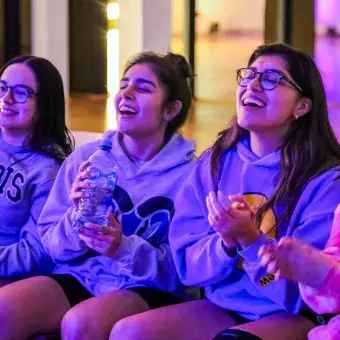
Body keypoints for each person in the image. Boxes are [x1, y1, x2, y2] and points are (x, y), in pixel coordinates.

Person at [108, 43, 340, 340]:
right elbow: (187, 267)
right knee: (129, 333)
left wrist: (251, 241)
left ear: (302, 106)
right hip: (222, 306)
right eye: (248, 75)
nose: (252, 86)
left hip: (292, 315)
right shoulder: (216, 161)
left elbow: (302, 295)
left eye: (271, 79)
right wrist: (226, 246)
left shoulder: (324, 181)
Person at [0, 52, 196, 340]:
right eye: (123, 85)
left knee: (81, 323)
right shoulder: (87, 157)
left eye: (142, 88)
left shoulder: (190, 175)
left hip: (144, 284)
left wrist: (123, 247)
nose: (125, 94)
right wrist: (75, 217)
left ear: (170, 109)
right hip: (80, 274)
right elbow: (53, 247)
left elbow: (184, 270)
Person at [0, 55, 74, 284]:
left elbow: (36, 253)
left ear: (44, 104)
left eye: (21, 92)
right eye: (2, 87)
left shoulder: (49, 173)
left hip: (10, 280)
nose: (7, 97)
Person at [259, 203, 340, 339]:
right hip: (232, 301)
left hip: (294, 313)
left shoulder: (321, 193)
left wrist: (250, 242)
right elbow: (266, 279)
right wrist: (228, 246)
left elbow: (276, 283)